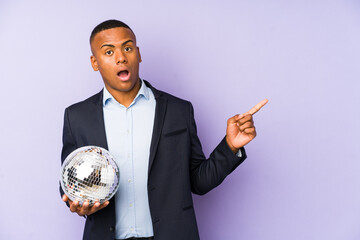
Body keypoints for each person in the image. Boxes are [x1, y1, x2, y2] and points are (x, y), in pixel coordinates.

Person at [60, 19, 268, 240]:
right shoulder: (77, 117)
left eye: (127, 48)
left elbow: (198, 181)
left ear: (138, 54)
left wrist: (230, 146)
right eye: (109, 52)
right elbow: (69, 181)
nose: (121, 57)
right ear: (95, 62)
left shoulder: (179, 110)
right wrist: (76, 202)